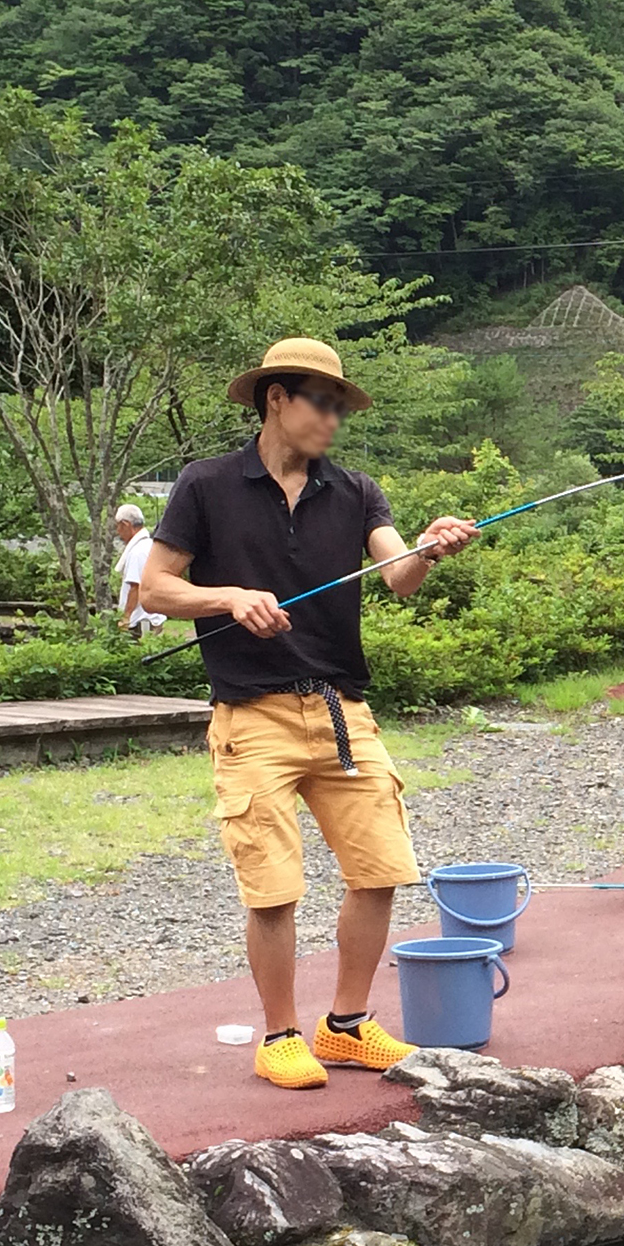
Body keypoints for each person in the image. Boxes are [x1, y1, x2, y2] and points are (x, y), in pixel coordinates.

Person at [140, 337, 480, 1090]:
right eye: (319, 402)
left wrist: (429, 546)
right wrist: (227, 596)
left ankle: (347, 1026)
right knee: (273, 886)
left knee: (381, 868)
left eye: (339, 405)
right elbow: (156, 590)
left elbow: (398, 576)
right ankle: (280, 1036)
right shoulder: (206, 485)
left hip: (341, 710)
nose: (332, 417)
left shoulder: (357, 491)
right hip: (252, 714)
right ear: (274, 400)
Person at [111, 503, 164, 637]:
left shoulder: (138, 551)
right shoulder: (148, 545)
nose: (118, 531)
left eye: (118, 526)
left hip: (141, 621)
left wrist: (126, 617)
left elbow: (135, 587)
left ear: (125, 524)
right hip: (150, 617)